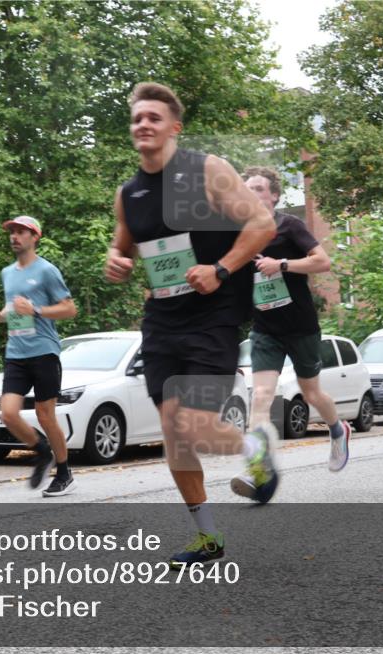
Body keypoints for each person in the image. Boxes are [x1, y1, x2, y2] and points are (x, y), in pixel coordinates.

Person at [104, 82, 279, 566]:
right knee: (172, 431)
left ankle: (253, 447)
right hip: (162, 318)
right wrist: (115, 262)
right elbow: (122, 246)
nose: (144, 124)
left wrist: (220, 269)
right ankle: (207, 538)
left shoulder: (206, 170)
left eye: (154, 118)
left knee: (196, 425)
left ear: (174, 127)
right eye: (137, 118)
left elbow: (262, 225)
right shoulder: (130, 193)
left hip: (214, 316)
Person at [230, 166, 351, 502]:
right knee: (261, 398)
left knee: (312, 394)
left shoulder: (290, 226)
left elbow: (322, 262)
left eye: (256, 188)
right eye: (245, 188)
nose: (250, 193)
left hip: (300, 327)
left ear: (273, 195)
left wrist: (280, 264)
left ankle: (338, 429)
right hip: (265, 329)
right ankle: (257, 469)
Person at [0, 215, 78, 497]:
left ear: (34, 237)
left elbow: (69, 309)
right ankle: (41, 452)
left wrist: (36, 311)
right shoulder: (7, 273)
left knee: (45, 415)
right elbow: (12, 307)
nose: (14, 236)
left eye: (21, 232)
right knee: (9, 414)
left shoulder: (47, 271)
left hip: (44, 351)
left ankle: (64, 474)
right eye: (11, 232)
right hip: (16, 353)